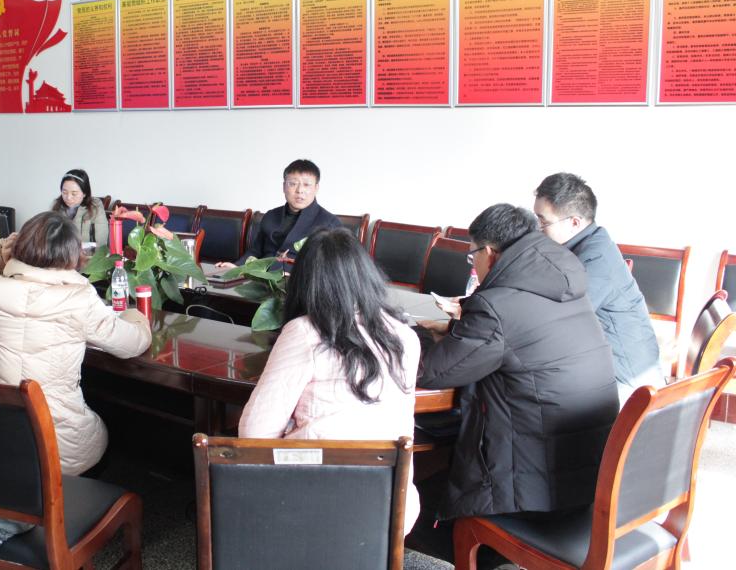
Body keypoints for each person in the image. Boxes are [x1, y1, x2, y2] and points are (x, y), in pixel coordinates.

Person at [408, 204, 618, 565]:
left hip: (536, 492)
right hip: (588, 475)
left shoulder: (496, 304)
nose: (473, 264)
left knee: (406, 508)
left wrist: (411, 338)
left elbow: (434, 373)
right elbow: (518, 340)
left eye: (472, 255)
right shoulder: (564, 281)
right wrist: (459, 330)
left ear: (490, 252)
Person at [239, 228, 422, 531]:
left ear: (305, 283)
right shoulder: (405, 336)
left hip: (318, 502)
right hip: (393, 503)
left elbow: (254, 434)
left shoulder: (305, 331)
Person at [0, 211, 151, 475]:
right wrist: (134, 315)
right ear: (72, 253)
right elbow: (133, 344)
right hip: (59, 450)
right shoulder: (80, 298)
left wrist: (1, 249)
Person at [534, 173, 664, 401]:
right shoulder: (589, 245)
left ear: (574, 222)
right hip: (618, 372)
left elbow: (555, 323)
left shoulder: (594, 261)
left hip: (628, 390)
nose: (538, 229)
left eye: (543, 221)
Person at [217, 159, 341, 269]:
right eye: (293, 184)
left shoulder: (329, 224)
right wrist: (237, 267)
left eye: (306, 185)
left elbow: (331, 268)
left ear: (316, 188)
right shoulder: (271, 216)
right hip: (261, 279)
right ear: (284, 187)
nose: (299, 190)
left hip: (300, 283)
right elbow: (255, 251)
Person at [51, 169, 109, 246]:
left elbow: (101, 244)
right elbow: (51, 239)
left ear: (84, 193)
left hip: (88, 253)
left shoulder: (95, 206)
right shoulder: (57, 206)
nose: (68, 197)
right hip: (62, 252)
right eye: (64, 192)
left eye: (74, 194)